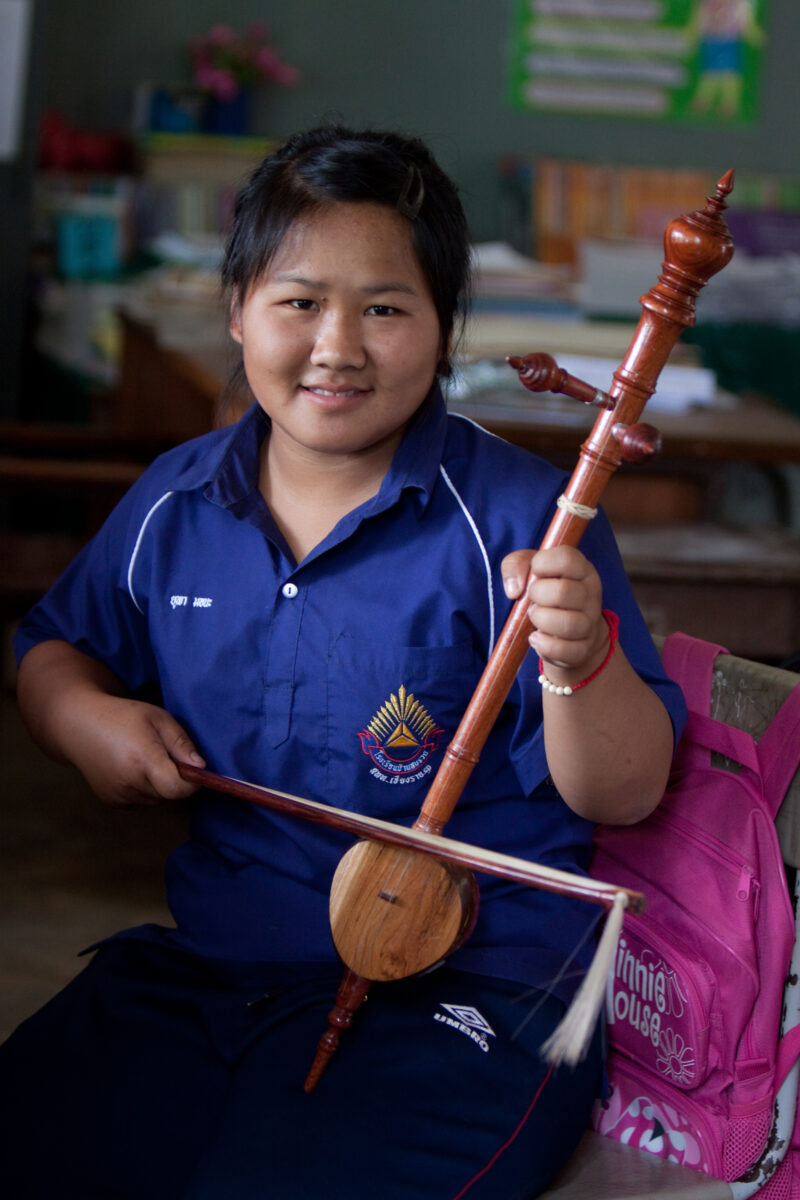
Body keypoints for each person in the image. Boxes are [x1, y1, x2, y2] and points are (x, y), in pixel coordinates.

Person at [0, 126, 684, 1200]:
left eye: (384, 308)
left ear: (442, 328)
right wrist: (85, 718)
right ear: (235, 310)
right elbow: (50, 646)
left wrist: (579, 659)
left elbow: (625, 789)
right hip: (220, 966)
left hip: (473, 988)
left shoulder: (523, 521)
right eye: (299, 301)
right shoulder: (175, 503)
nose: (338, 345)